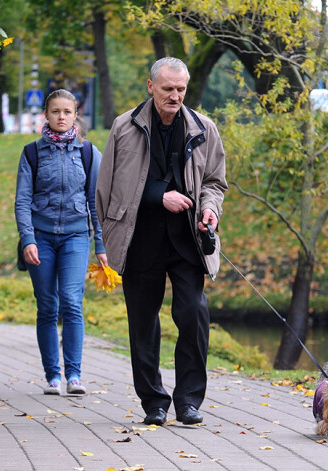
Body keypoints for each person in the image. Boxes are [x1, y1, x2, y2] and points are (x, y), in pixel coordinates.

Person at [95, 57, 227, 425]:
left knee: (194, 316)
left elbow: (215, 183)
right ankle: (153, 401)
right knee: (142, 324)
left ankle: (188, 402)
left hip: (188, 240)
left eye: (181, 89)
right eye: (168, 88)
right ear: (150, 86)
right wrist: (157, 198)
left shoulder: (205, 128)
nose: (175, 95)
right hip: (138, 239)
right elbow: (107, 189)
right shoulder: (124, 127)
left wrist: (210, 210)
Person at [15, 89, 108, 396]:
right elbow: (22, 201)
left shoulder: (88, 152)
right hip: (40, 237)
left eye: (67, 112)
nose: (61, 117)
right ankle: (53, 376)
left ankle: (75, 375)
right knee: (47, 306)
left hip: (76, 236)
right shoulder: (31, 153)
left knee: (71, 301)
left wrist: (101, 246)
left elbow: (96, 202)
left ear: (75, 114)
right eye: (55, 111)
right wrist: (27, 238)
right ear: (46, 114)